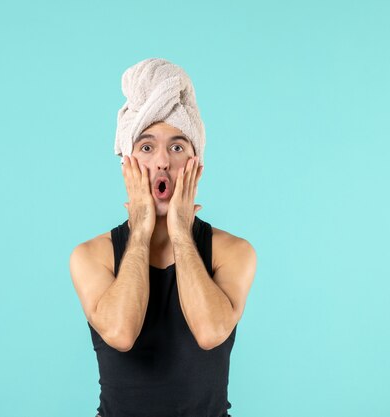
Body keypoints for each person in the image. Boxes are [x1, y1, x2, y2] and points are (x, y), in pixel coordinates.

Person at [69, 58, 257, 417]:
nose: (161, 163)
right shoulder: (91, 256)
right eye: (145, 147)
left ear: (196, 164)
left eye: (177, 147)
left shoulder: (233, 252)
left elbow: (210, 332)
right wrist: (139, 230)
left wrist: (181, 235)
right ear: (127, 165)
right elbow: (121, 333)